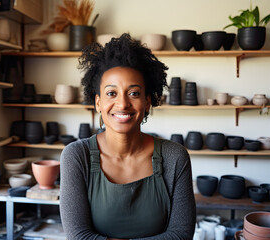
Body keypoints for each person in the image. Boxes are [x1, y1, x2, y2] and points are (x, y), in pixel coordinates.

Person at [60, 33, 196, 240]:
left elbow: (181, 235)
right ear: (98, 103)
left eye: (133, 93)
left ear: (148, 102)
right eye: (111, 93)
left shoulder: (174, 157)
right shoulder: (77, 156)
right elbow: (79, 236)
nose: (123, 104)